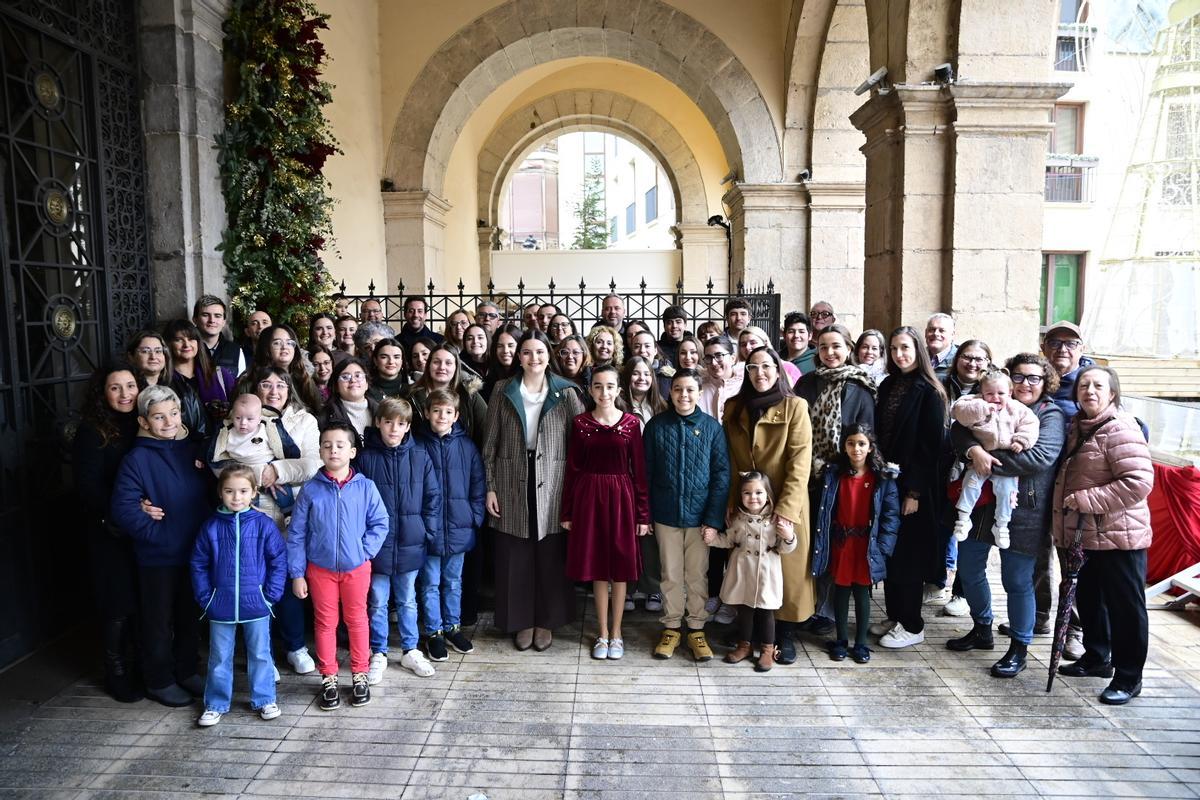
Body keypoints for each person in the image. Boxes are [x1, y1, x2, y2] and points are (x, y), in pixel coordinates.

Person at [948, 352, 1067, 678]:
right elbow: (958, 430)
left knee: (1016, 581)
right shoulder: (990, 402)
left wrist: (985, 460)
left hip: (1025, 509)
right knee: (969, 568)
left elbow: (1039, 458)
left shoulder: (1050, 415)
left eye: (1034, 378)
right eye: (1018, 377)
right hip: (984, 504)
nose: (1025, 383)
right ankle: (982, 627)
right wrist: (973, 450)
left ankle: (1019, 648)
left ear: (1046, 381)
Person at [1052, 366, 1153, 705]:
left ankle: (1128, 676)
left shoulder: (1121, 428)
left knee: (1126, 608)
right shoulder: (1077, 427)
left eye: (1097, 386)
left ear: (1112, 394)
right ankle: (1097, 657)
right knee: (1091, 600)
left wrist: (1085, 500)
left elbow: (1138, 483)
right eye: (1083, 385)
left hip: (1119, 535)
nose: (1089, 391)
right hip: (1086, 535)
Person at [481, 330, 584, 652]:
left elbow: (580, 447)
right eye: (527, 352)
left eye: (539, 352)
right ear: (518, 356)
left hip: (554, 480)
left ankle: (546, 620)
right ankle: (521, 620)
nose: (533, 358)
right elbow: (490, 443)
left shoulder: (566, 392)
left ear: (548, 354)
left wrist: (575, 492)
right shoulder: (502, 390)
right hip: (512, 476)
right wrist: (490, 487)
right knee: (516, 554)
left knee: (550, 554)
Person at [109, 385, 211, 707]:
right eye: (158, 416)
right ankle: (159, 679)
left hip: (193, 551)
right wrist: (160, 536)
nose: (168, 422)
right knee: (157, 621)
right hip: (158, 557)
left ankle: (186, 669)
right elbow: (123, 509)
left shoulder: (193, 448)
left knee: (188, 615)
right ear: (143, 421)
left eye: (174, 413)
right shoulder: (136, 459)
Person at [288, 422, 389, 711]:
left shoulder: (366, 487)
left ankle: (359, 674)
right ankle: (329, 676)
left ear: (352, 451)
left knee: (357, 620)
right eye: (327, 445)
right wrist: (297, 573)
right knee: (325, 623)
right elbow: (296, 534)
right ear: (320, 451)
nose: (333, 449)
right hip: (319, 570)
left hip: (357, 568)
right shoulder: (310, 491)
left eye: (340, 445)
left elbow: (380, 523)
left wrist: (363, 551)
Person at [722, 346, 814, 665]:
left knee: (783, 574)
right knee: (748, 570)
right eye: (752, 367)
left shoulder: (795, 406)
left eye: (766, 366)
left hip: (782, 502)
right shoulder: (734, 407)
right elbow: (731, 460)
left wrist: (786, 509)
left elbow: (800, 462)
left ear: (778, 370)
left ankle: (782, 636)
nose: (760, 373)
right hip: (747, 503)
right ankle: (747, 633)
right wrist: (733, 501)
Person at [562, 364, 651, 661]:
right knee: (598, 568)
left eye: (609, 386)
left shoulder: (630, 424)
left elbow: (639, 472)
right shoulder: (580, 423)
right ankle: (602, 633)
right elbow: (572, 470)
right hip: (589, 498)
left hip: (622, 497)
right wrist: (568, 510)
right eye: (598, 386)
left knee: (620, 568)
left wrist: (642, 515)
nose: (604, 392)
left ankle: (617, 632)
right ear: (590, 390)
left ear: (618, 390)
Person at [643, 368, 730, 661]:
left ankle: (695, 628)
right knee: (670, 574)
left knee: (697, 575)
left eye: (690, 389)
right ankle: (670, 627)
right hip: (666, 514)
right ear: (671, 392)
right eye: (678, 389)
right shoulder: (656, 427)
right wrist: (647, 514)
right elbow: (646, 473)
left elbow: (721, 475)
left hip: (699, 517)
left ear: (698, 392)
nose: (684, 395)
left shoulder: (711, 428)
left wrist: (713, 520)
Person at [190, 465, 286, 727]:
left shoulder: (264, 525)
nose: (236, 497)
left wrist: (270, 596)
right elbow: (198, 563)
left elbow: (278, 560)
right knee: (219, 656)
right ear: (220, 492)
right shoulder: (210, 526)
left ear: (254, 492)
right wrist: (206, 598)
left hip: (256, 604)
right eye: (230, 491)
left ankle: (265, 698)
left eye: (243, 491)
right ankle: (215, 703)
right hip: (220, 604)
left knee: (260, 654)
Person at [357, 399, 442, 683]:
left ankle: (410, 649)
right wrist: (364, 541)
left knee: (407, 600)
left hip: (410, 540)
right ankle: (379, 652)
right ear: (378, 422)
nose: (395, 428)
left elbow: (433, 497)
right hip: (376, 545)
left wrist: (425, 531)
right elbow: (357, 503)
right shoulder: (366, 458)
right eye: (389, 422)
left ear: (408, 427)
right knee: (378, 601)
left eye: (401, 423)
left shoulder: (419, 456)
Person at [873, 327, 948, 649]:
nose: (899, 354)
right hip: (887, 480)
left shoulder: (930, 391)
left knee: (910, 556)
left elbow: (931, 448)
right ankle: (895, 615)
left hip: (914, 486)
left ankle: (913, 623)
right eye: (893, 348)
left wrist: (913, 492)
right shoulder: (889, 384)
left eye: (905, 348)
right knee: (891, 550)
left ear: (918, 350)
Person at [74, 363, 143, 702]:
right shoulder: (92, 431)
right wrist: (125, 513)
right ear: (103, 393)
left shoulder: (144, 424)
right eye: (115, 388)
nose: (125, 394)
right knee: (116, 602)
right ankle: (115, 670)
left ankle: (140, 665)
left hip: (142, 529)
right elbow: (88, 487)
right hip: (109, 528)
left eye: (130, 385)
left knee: (141, 599)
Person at [249, 366, 322, 675]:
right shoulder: (242, 416)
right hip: (255, 510)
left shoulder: (304, 420)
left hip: (294, 513)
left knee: (291, 579)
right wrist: (254, 475)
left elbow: (312, 463)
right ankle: (261, 653)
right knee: (258, 582)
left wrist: (274, 471)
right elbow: (225, 461)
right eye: (266, 385)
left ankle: (295, 646)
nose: (273, 390)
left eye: (280, 385)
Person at [813, 425, 900, 664]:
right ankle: (841, 640)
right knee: (840, 590)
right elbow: (823, 511)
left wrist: (883, 547)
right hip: (841, 542)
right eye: (851, 443)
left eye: (862, 444)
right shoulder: (833, 474)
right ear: (844, 446)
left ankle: (860, 643)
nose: (856, 449)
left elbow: (891, 515)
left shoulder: (882, 477)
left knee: (862, 592)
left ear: (870, 447)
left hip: (866, 544)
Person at [417, 389, 486, 661]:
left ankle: (452, 627)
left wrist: (474, 517)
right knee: (430, 583)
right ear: (426, 413)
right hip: (429, 529)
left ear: (456, 415)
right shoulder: (418, 445)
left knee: (453, 582)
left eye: (447, 412)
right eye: (436, 411)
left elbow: (478, 485)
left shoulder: (467, 447)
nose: (441, 416)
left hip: (459, 526)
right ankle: (433, 632)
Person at [705, 471, 797, 672]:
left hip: (766, 573)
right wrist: (712, 538)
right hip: (743, 571)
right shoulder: (738, 518)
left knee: (766, 612)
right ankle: (744, 645)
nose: (753, 497)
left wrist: (789, 536)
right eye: (747, 493)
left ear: (768, 495)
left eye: (758, 492)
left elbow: (785, 547)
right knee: (744, 611)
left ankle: (767, 649)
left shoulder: (775, 520)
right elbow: (729, 540)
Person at [949, 370, 1041, 549]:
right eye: (989, 393)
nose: (995, 398)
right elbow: (958, 413)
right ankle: (963, 518)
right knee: (970, 485)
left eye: (1001, 393)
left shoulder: (1017, 409)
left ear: (1010, 393)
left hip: (1006, 461)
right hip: (979, 459)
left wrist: (1021, 441)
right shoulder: (975, 403)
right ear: (981, 393)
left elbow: (1031, 425)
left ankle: (1001, 525)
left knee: (1007, 492)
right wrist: (982, 408)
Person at [207, 394, 300, 516]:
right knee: (248, 499)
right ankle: (248, 517)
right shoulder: (227, 431)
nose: (243, 423)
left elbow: (283, 445)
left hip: (268, 464)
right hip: (243, 469)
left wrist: (280, 466)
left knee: (283, 491)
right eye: (238, 418)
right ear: (232, 415)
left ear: (259, 417)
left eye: (250, 419)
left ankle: (289, 514)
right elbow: (215, 452)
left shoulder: (266, 427)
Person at [406, 344, 488, 446]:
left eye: (448, 363)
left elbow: (486, 431)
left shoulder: (468, 395)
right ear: (429, 365)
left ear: (456, 367)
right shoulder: (411, 396)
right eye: (436, 362)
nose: (442, 367)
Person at [163, 320, 227, 441]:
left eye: (191, 339)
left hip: (220, 445)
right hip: (182, 448)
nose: (186, 345)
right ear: (169, 344)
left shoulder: (220, 375)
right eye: (179, 340)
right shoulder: (164, 381)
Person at [251, 324, 321, 412]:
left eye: (289, 343)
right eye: (277, 343)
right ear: (266, 348)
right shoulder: (251, 380)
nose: (285, 347)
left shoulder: (304, 378)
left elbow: (318, 412)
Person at [1041, 320, 1094, 416]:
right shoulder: (1032, 379)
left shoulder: (1094, 383)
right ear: (1043, 348)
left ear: (1082, 350)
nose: (1062, 350)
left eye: (1071, 344)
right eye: (1054, 343)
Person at [318, 358, 377, 440]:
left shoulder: (382, 411)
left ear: (367, 384)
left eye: (358, 376)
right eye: (345, 377)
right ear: (336, 386)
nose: (353, 380)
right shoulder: (325, 417)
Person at [192, 295, 246, 377]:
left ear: (224, 322)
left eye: (217, 316)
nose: (212, 320)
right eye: (205, 315)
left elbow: (241, 385)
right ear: (195, 320)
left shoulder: (236, 350)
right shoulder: (186, 348)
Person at [699, 336, 743, 424]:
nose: (713, 363)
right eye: (708, 358)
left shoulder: (743, 387)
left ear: (733, 359)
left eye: (719, 356)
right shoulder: (698, 388)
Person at [481, 327, 519, 402]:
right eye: (500, 346)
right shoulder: (488, 382)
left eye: (510, 345)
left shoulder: (527, 378)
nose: (505, 351)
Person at [366, 337, 408, 401]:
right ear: (375, 361)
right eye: (384, 357)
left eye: (396, 357)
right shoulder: (365, 389)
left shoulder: (411, 390)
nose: (391, 361)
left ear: (402, 361)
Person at [925, 313, 958, 379]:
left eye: (942, 330)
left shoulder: (959, 360)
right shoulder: (916, 357)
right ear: (925, 333)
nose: (936, 334)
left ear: (952, 334)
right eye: (932, 330)